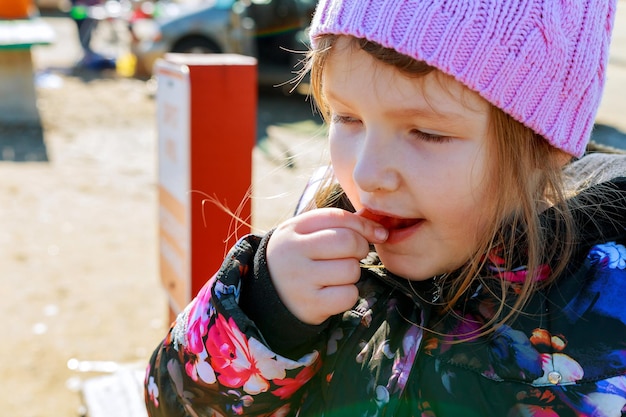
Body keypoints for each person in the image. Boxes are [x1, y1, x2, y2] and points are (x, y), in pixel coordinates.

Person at [144, 0, 626, 415]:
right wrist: (262, 317)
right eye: (347, 118)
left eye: (428, 132)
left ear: (545, 148)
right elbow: (172, 404)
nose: (368, 173)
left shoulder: (605, 315)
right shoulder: (318, 240)